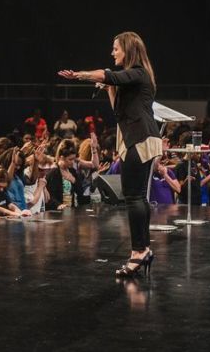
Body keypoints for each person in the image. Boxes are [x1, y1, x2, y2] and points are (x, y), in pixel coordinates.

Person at [59, 31, 161, 278]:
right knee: (137, 197)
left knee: (134, 196)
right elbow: (118, 109)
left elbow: (109, 74)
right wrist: (108, 88)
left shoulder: (137, 72)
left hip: (139, 138)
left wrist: (81, 75)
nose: (112, 52)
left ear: (128, 50)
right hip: (134, 137)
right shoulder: (132, 79)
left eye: (116, 48)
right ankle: (143, 249)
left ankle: (138, 252)